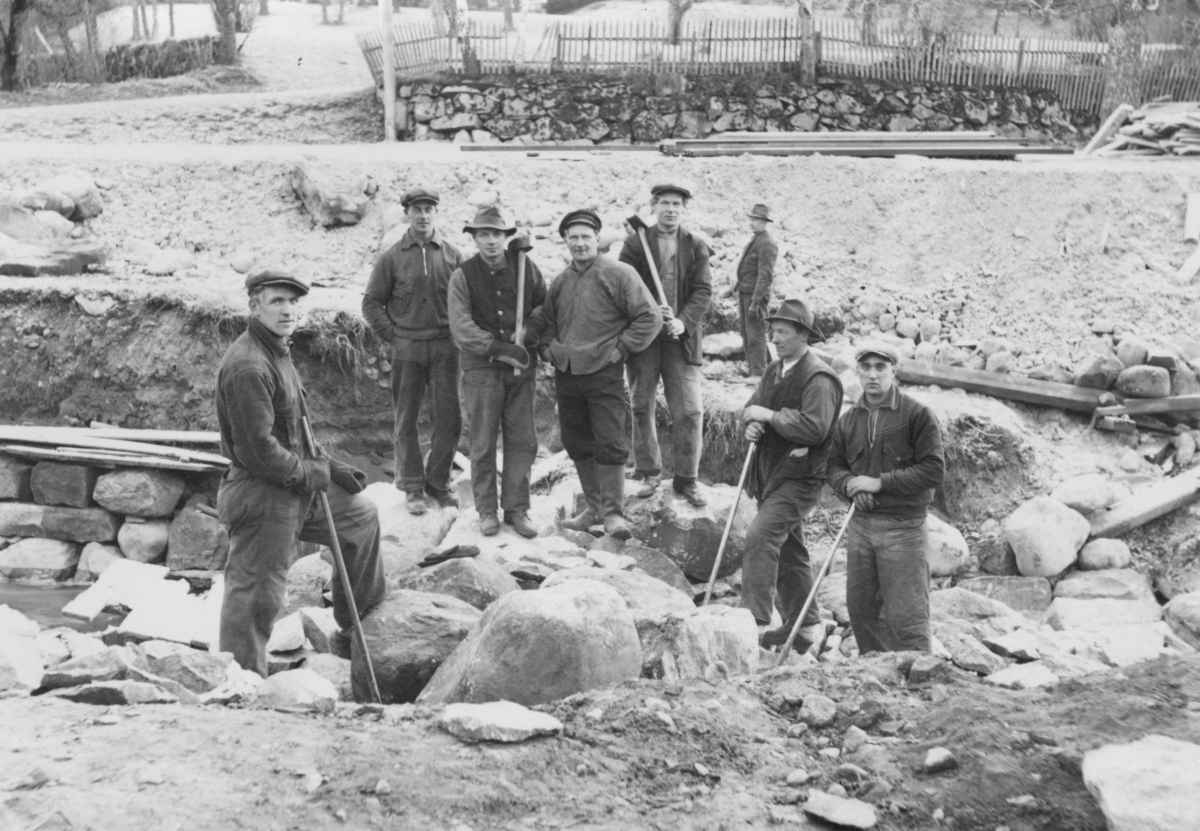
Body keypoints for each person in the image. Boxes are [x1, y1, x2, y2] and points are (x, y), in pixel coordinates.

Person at [216, 269, 388, 678]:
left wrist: (331, 467)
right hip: (261, 492)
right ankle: (241, 683)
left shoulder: (277, 350)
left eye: (293, 302)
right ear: (254, 306)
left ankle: (357, 623)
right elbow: (256, 450)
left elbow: (297, 430)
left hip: (293, 484)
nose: (288, 310)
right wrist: (310, 474)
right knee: (257, 594)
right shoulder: (248, 365)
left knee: (361, 518)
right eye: (276, 301)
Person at [539, 209, 662, 539]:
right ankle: (592, 507)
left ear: (597, 238)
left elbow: (650, 317)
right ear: (565, 241)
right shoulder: (561, 280)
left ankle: (613, 514)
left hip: (603, 371)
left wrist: (620, 349)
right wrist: (548, 350)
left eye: (586, 237)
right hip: (567, 372)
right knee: (576, 440)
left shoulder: (619, 273)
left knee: (609, 440)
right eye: (573, 238)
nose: (580, 243)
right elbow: (548, 321)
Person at [827, 340, 945, 654]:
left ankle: (918, 676)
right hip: (860, 527)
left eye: (880, 367)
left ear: (893, 370)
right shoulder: (848, 420)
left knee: (907, 618)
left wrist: (879, 483)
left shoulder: (917, 415)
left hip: (903, 528)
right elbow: (833, 466)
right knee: (861, 611)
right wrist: (851, 486)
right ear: (857, 371)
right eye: (865, 367)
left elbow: (934, 470)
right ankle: (877, 676)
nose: (872, 374)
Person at [740, 298, 843, 650]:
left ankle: (752, 622)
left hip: (800, 477)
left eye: (783, 332)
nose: (774, 338)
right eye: (773, 331)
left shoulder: (819, 378)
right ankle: (806, 626)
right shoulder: (774, 369)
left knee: (760, 536)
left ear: (803, 335)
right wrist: (752, 424)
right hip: (772, 474)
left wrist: (769, 417)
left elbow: (815, 427)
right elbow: (751, 408)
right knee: (789, 549)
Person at [362, 187, 465, 516]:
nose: (423, 215)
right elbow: (371, 303)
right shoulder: (392, 257)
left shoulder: (453, 255)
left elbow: (468, 301)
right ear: (407, 213)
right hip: (407, 348)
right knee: (406, 418)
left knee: (450, 417)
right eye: (416, 209)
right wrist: (393, 336)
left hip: (446, 347)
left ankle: (439, 482)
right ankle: (411, 486)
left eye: (428, 209)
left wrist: (462, 334)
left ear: (436, 212)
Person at [447, 206, 546, 539]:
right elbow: (461, 326)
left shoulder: (525, 267)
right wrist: (497, 348)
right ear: (475, 239)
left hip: (521, 370)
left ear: (506, 237)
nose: (491, 241)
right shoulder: (463, 275)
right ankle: (487, 511)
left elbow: (543, 306)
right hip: (482, 370)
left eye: (497, 235)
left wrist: (530, 331)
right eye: (484, 235)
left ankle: (516, 509)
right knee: (483, 441)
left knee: (522, 440)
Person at [618, 181, 713, 507]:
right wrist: (648, 312)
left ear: (683, 209)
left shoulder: (695, 245)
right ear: (654, 206)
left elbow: (703, 291)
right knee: (641, 405)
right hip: (644, 338)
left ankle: (686, 479)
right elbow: (623, 287)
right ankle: (648, 472)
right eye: (665, 203)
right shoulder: (635, 244)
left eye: (676, 204)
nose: (671, 209)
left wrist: (682, 321)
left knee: (690, 410)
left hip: (680, 340)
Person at [735, 204, 778, 383]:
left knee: (756, 334)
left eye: (756, 220)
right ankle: (752, 368)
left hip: (755, 296)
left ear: (764, 222)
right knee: (746, 333)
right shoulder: (757, 239)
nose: (752, 223)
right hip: (745, 292)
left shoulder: (767, 243)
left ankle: (759, 373)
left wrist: (755, 302)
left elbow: (765, 276)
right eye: (752, 219)